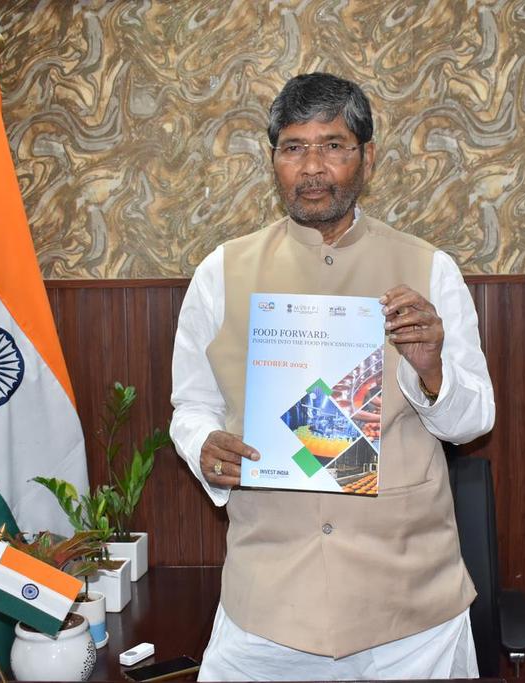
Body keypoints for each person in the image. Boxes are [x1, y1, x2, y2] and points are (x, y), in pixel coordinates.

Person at [170, 72, 495, 681]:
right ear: (274, 160)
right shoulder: (220, 273)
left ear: (367, 158)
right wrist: (203, 445)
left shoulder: (430, 269)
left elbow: (474, 420)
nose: (312, 167)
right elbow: (190, 405)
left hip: (409, 606)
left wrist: (431, 369)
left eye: (333, 145)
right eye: (294, 147)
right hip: (269, 601)